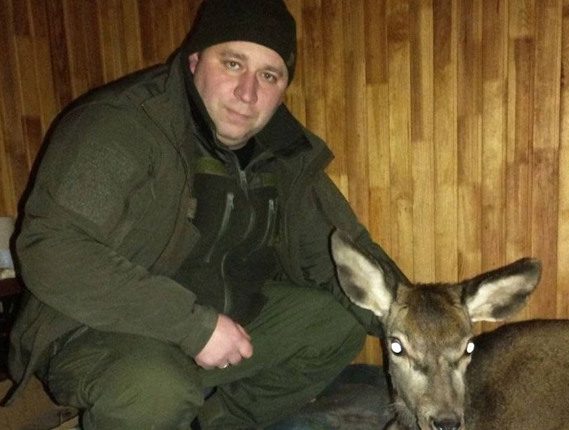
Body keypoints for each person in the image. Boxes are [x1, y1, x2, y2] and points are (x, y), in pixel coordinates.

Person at [5, 0, 395, 428]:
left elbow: (339, 248)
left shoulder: (283, 152)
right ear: (194, 61)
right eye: (233, 64)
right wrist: (194, 327)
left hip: (224, 323)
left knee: (335, 322)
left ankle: (219, 423)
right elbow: (51, 250)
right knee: (155, 390)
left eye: (269, 75)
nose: (248, 92)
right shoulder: (122, 123)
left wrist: (422, 324)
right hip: (102, 326)